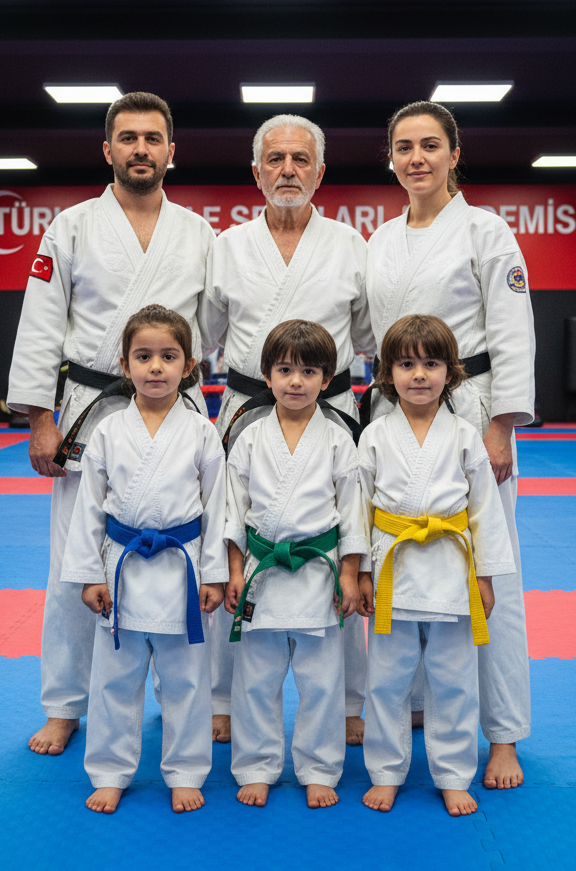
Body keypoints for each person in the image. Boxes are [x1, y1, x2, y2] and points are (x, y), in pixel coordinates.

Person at [7, 92, 216, 758]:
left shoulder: (199, 233)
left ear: (171, 151)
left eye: (153, 138)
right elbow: (42, 326)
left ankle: (179, 699)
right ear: (107, 150)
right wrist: (41, 419)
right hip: (89, 417)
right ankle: (66, 704)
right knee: (76, 563)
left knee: (180, 557)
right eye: (127, 138)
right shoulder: (69, 227)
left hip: (175, 412)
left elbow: (214, 327)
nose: (141, 150)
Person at [366, 101, 536, 790]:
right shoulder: (379, 239)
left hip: (471, 408)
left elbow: (514, 329)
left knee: (488, 573)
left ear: (454, 153)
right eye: (403, 146)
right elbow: (365, 335)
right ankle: (412, 704)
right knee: (395, 556)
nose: (416, 159)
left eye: (430, 145)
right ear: (390, 158)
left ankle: (502, 735)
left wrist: (502, 424)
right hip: (392, 411)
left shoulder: (488, 231)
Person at [200, 113, 374, 746]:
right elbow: (203, 338)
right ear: (255, 172)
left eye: (301, 160)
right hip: (246, 411)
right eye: (275, 160)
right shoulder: (227, 246)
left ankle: (351, 703)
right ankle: (223, 697)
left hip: (332, 415)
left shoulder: (352, 246)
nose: (288, 171)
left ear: (321, 172)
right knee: (234, 547)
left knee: (341, 555)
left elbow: (370, 340)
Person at [60, 306, 228, 814]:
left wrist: (215, 575)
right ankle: (110, 771)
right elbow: (88, 507)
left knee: (187, 681)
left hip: (183, 569)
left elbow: (219, 507)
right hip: (122, 569)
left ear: (190, 364)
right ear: (124, 362)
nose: (156, 367)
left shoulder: (202, 431)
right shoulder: (109, 432)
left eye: (168, 357)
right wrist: (89, 574)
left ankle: (184, 770)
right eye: (144, 356)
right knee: (114, 679)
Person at [357, 315, 514, 816]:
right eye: (406, 364)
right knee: (386, 679)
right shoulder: (375, 435)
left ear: (453, 372)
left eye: (431, 363)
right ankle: (385, 771)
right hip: (391, 572)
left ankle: (451, 774)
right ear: (387, 373)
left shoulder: (466, 435)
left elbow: (486, 511)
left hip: (451, 570)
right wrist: (359, 571)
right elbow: (356, 510)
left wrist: (484, 576)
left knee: (454, 680)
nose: (419, 375)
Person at [224, 320, 366, 809]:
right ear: (266, 375)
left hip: (318, 572)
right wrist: (235, 569)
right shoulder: (247, 439)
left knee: (322, 681)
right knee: (255, 681)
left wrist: (349, 572)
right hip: (262, 575)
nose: (296, 382)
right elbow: (232, 510)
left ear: (328, 380)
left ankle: (319, 768)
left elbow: (351, 511)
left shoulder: (338, 439)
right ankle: (258, 765)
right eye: (285, 370)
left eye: (309, 372)